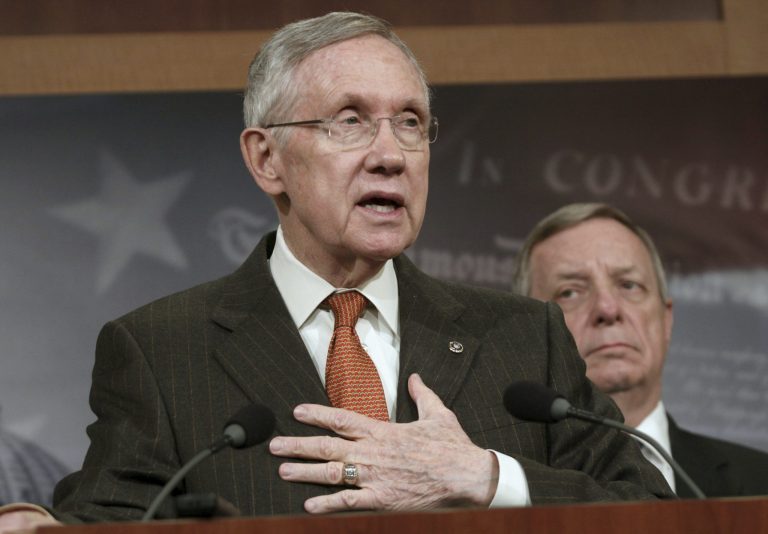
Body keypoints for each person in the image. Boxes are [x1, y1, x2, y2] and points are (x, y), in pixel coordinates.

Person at [0, 13, 673, 531]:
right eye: (350, 121)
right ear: (268, 159)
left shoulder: (524, 340)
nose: (391, 154)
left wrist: (486, 476)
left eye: (411, 122)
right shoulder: (160, 350)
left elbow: (651, 507)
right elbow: (112, 522)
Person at [512, 202, 768, 498]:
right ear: (528, 334)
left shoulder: (761, 483)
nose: (607, 309)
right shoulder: (495, 490)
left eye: (629, 285)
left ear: (666, 319)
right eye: (570, 292)